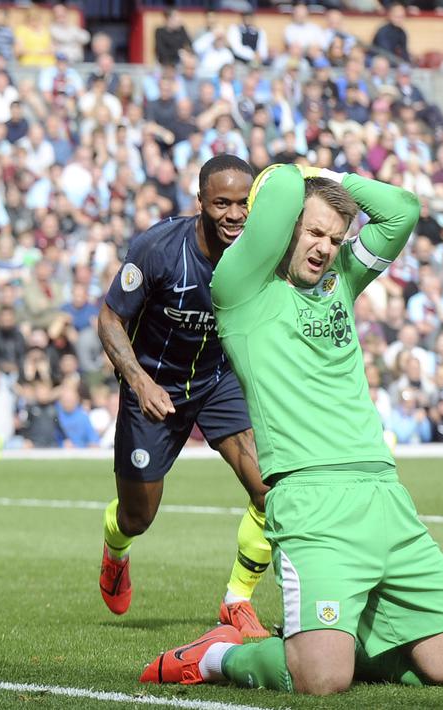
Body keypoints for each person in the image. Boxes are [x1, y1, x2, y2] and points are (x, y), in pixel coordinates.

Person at [142, 164, 443, 694]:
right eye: (314, 232)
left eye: (335, 237)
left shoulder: (340, 281)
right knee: (320, 682)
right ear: (283, 231)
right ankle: (217, 656)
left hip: (385, 497)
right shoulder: (240, 290)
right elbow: (279, 187)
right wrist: (304, 175)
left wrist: (334, 177)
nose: (326, 247)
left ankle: (335, 641)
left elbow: (403, 211)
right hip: (310, 504)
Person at [96, 154, 271, 639]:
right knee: (138, 516)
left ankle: (237, 601)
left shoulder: (260, 250)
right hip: (154, 388)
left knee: (269, 490)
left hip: (218, 382)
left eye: (243, 203)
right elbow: (110, 319)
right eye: (221, 203)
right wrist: (138, 381)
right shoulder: (157, 248)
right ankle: (116, 551)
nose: (234, 214)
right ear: (200, 202)